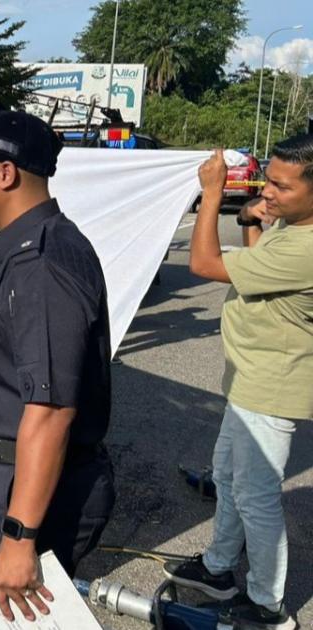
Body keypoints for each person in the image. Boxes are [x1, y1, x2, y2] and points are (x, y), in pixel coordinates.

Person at [0, 110, 114, 621]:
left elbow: (51, 409)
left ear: (6, 173)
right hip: (12, 479)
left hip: (27, 491)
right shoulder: (31, 251)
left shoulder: (42, 265)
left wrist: (18, 537)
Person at [163, 136, 313, 630]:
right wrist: (251, 222)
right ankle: (219, 568)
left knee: (256, 494)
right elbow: (256, 274)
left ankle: (268, 606)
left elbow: (205, 265)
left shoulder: (307, 246)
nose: (267, 191)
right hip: (250, 377)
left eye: (281, 186)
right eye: (268, 177)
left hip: (271, 388)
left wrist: (212, 195)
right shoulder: (293, 226)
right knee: (227, 478)